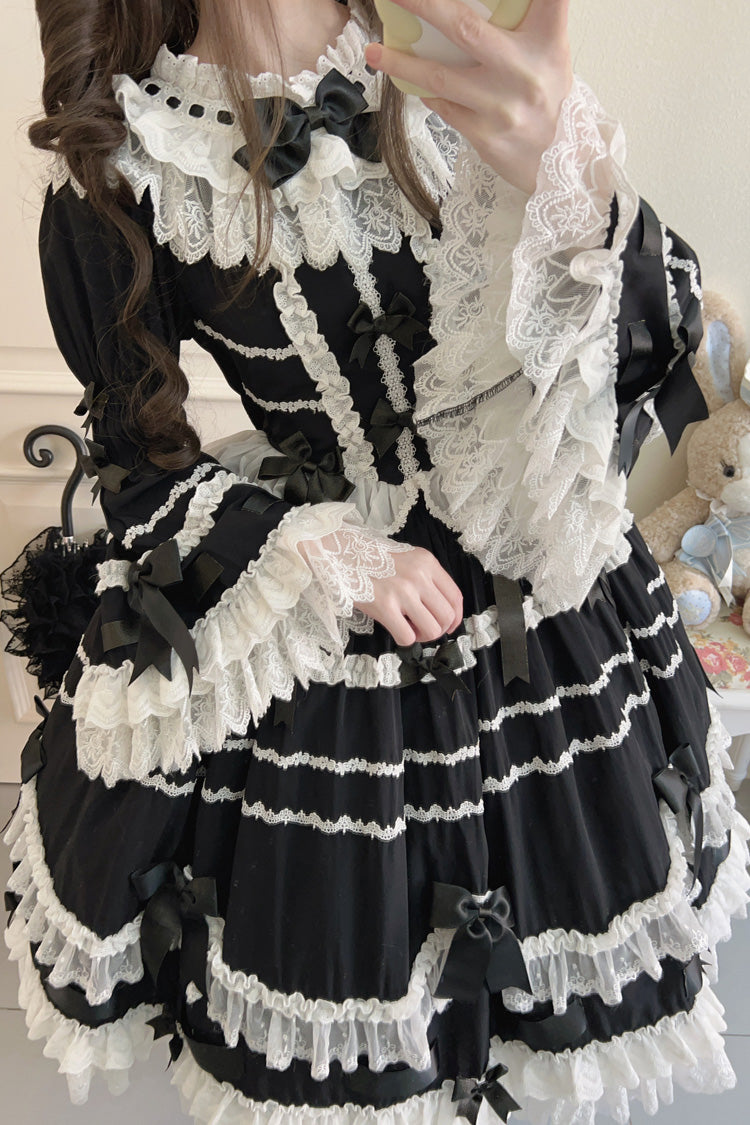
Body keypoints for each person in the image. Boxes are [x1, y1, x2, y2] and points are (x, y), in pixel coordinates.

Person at [4, 0, 748, 1121]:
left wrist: (570, 168)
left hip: (532, 579)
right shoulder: (129, 150)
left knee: (536, 968)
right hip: (319, 617)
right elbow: (135, 460)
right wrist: (313, 553)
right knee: (354, 972)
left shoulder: (449, 45)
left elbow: (654, 345)